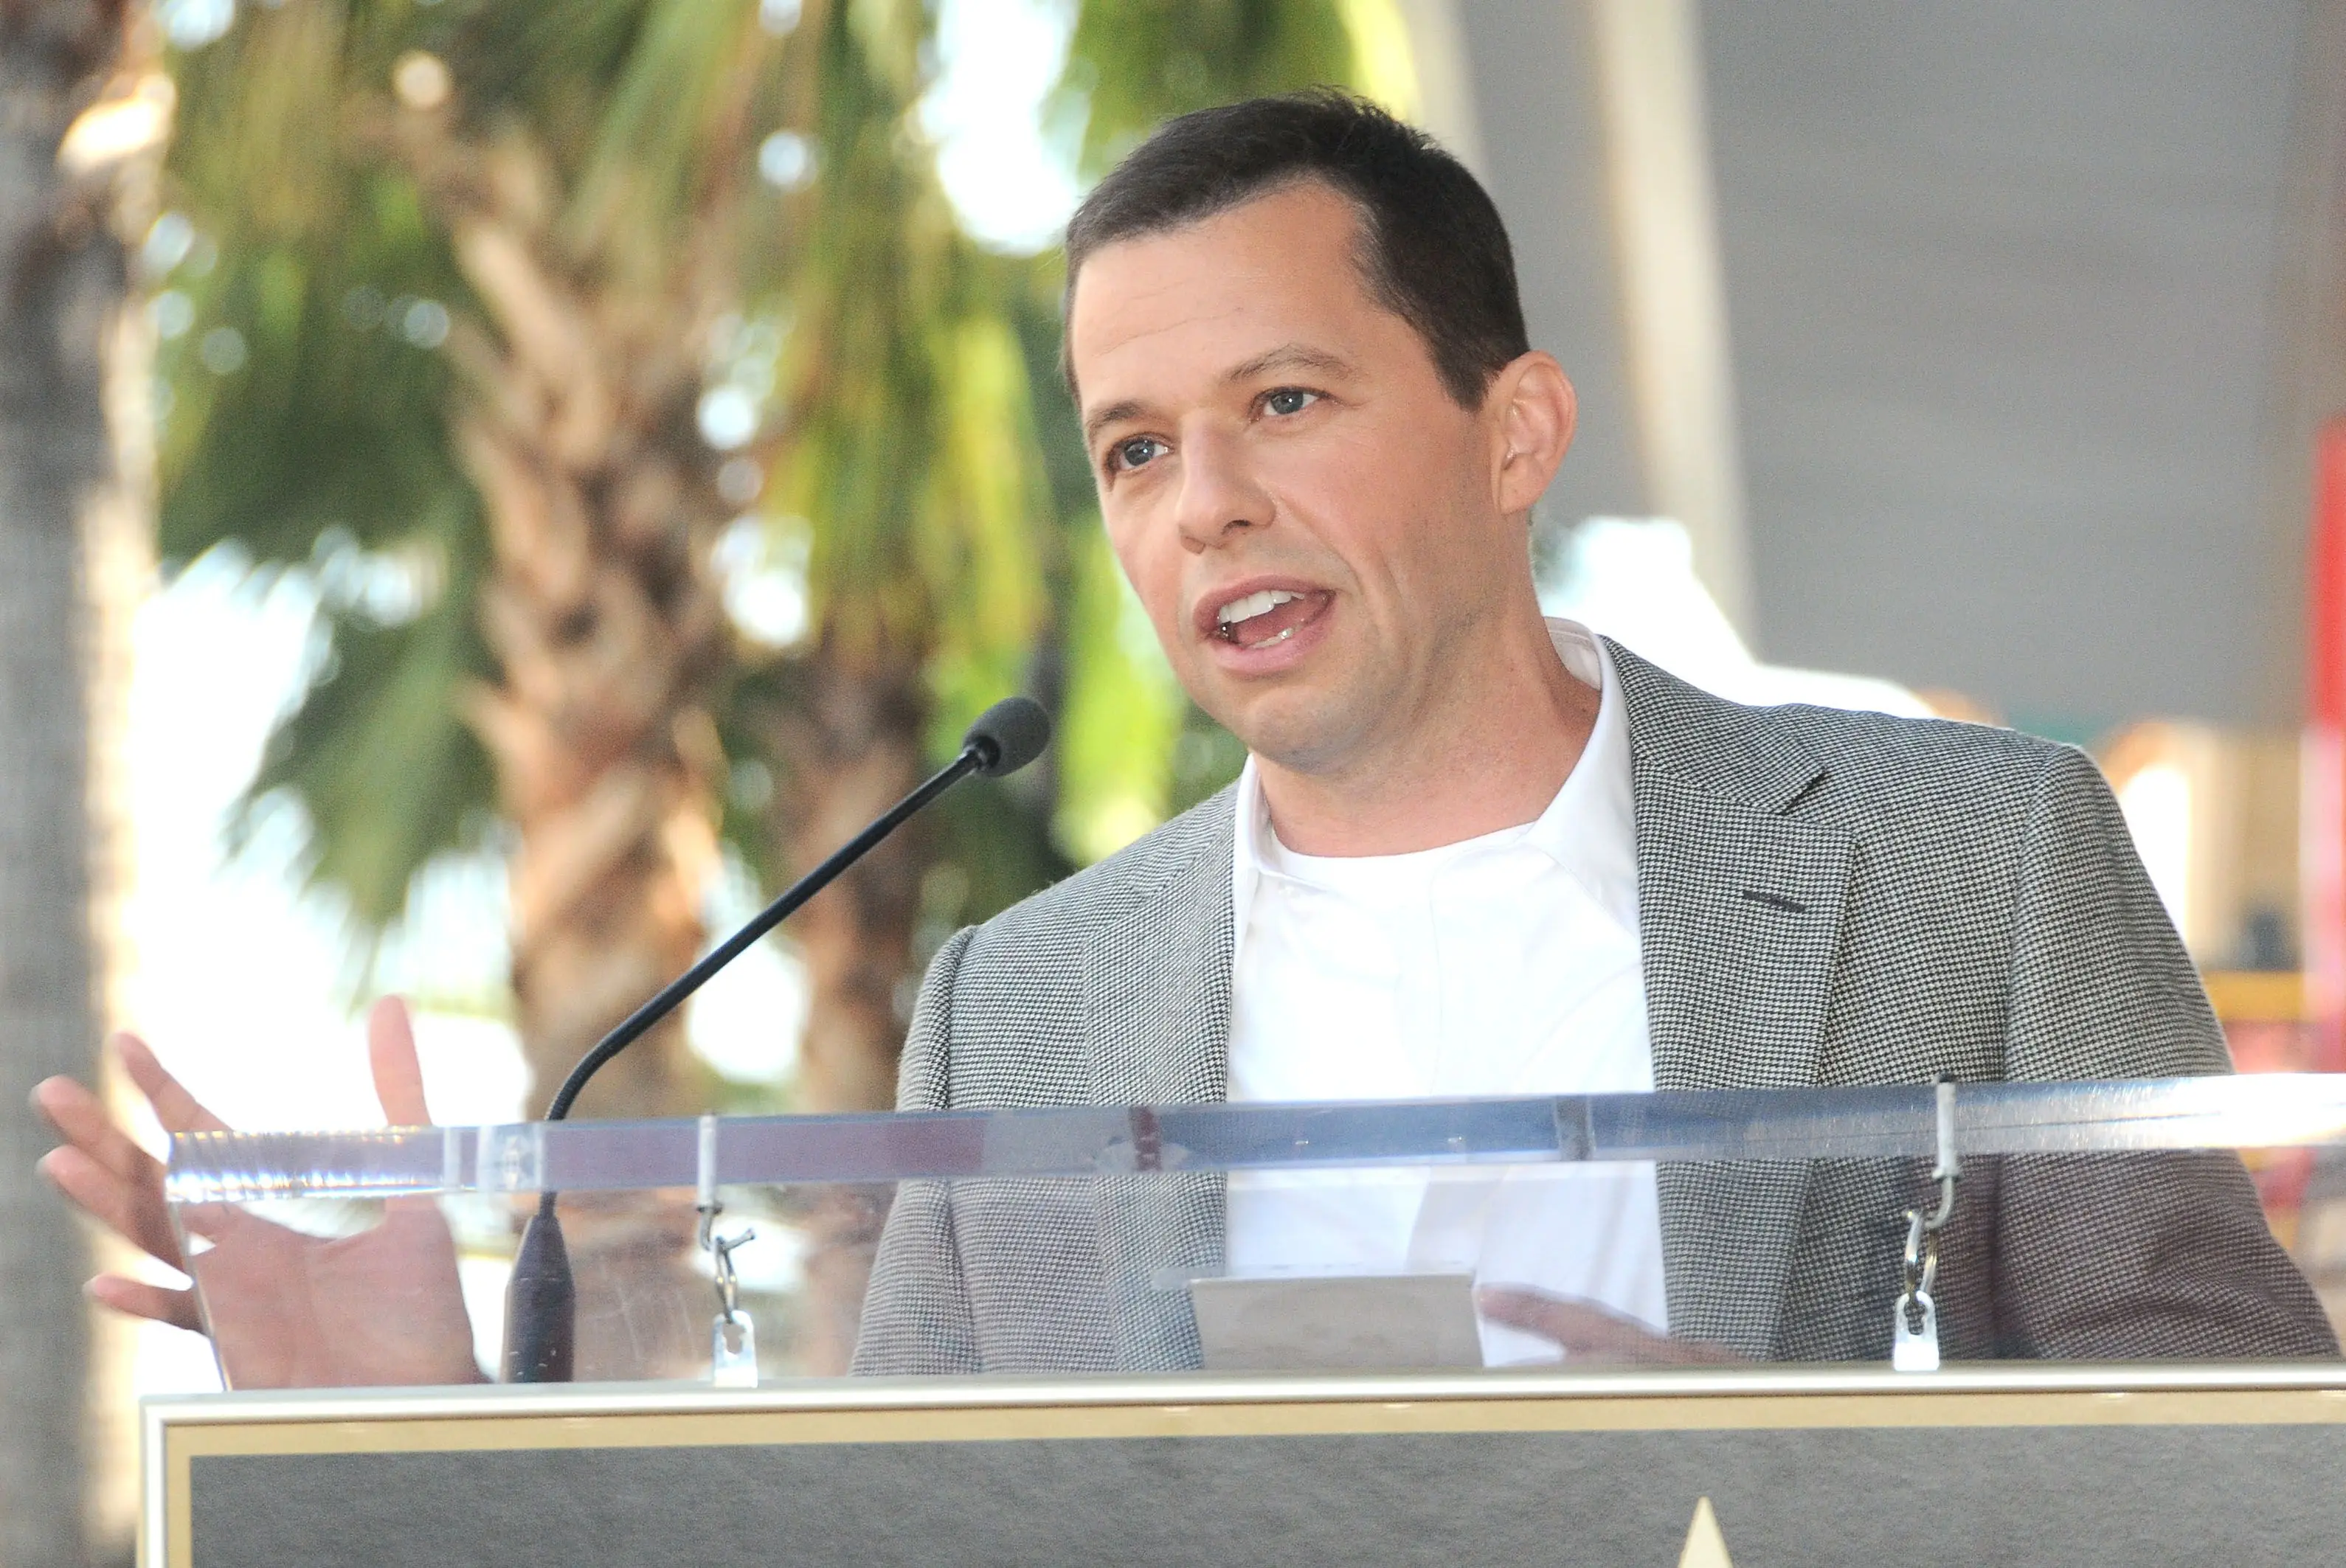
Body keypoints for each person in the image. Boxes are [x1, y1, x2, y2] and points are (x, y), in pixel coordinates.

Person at [35, 91, 2335, 1382]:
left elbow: (2228, 1469)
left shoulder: (1973, 856)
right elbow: (896, 1541)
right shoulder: (1015, 1002)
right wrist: (427, 1425)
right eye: (1132, 448)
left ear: (1514, 426)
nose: (1202, 497)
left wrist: (1772, 1493)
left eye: (1285, 402)